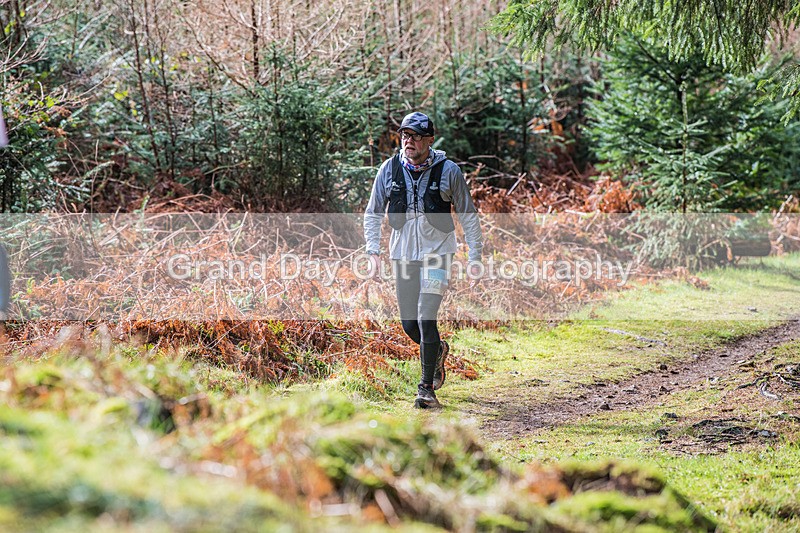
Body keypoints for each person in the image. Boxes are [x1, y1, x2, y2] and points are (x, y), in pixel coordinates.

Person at [364, 111, 483, 408]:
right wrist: (373, 251)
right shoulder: (388, 170)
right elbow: (373, 212)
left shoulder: (449, 171)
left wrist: (475, 255)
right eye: (405, 135)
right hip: (403, 256)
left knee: (426, 316)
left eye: (416, 136)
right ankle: (437, 350)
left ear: (430, 140)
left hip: (439, 256)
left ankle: (426, 388)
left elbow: (468, 215)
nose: (409, 141)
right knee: (409, 325)